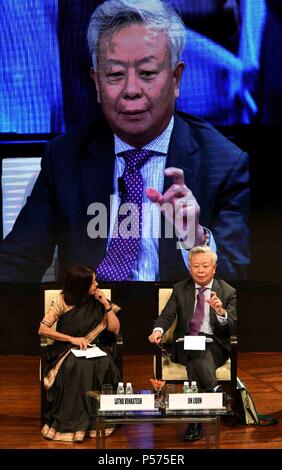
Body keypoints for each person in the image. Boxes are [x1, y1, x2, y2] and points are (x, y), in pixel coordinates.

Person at [0, 0, 249, 283]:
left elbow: (236, 291)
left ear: (176, 78)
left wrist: (196, 240)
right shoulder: (65, 157)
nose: (131, 90)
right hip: (88, 321)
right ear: (96, 82)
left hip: (173, 323)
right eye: (116, 74)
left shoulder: (224, 164)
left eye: (147, 74)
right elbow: (16, 263)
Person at [148, 245, 236, 442]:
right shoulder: (180, 288)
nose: (201, 270)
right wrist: (157, 330)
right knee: (196, 353)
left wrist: (221, 312)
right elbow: (167, 315)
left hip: (214, 345)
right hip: (186, 343)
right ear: (190, 267)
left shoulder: (227, 291)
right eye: (196, 266)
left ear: (214, 267)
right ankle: (217, 394)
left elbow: (232, 326)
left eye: (205, 265)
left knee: (198, 359)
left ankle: (195, 422)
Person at [38, 264, 121, 442]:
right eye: (92, 283)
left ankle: (97, 420)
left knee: (103, 363)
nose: (97, 284)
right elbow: (43, 330)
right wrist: (72, 339)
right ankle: (74, 424)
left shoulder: (99, 301)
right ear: (80, 286)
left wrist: (106, 305)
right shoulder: (62, 301)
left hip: (95, 348)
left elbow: (115, 329)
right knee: (77, 366)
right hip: (67, 350)